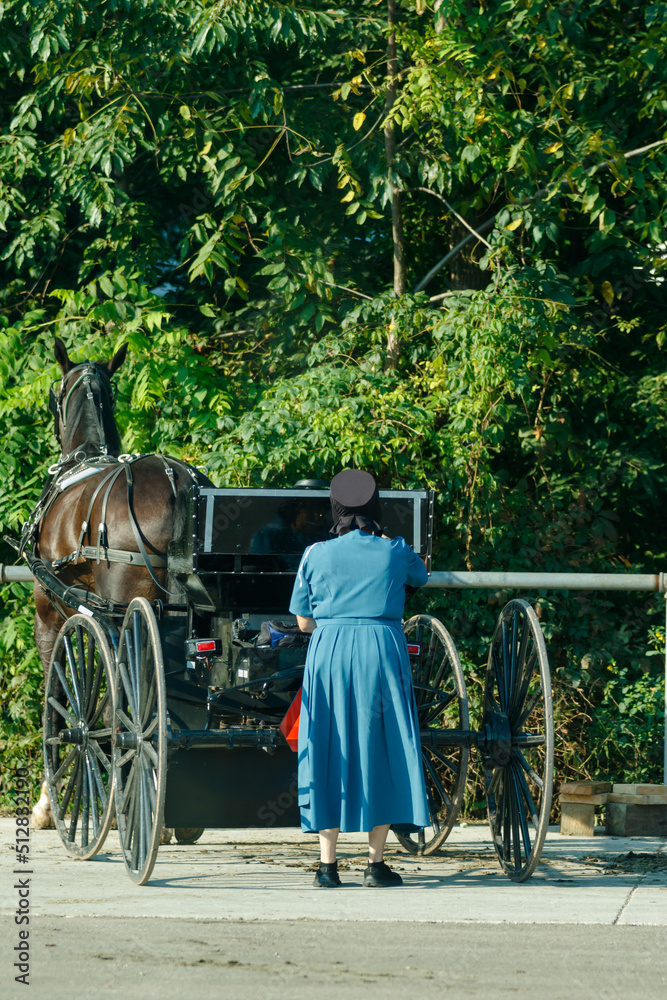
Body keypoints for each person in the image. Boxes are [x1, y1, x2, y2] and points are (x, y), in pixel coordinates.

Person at [289, 469, 430, 888]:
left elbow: (302, 622)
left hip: (328, 651)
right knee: (382, 748)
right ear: (374, 509)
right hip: (380, 652)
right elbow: (419, 577)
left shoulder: (314, 553)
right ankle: (375, 865)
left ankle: (327, 867)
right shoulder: (395, 550)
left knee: (327, 747)